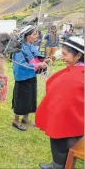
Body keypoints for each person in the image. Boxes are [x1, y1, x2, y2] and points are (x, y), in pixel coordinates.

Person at [35, 36, 84, 169]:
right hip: (72, 120)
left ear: (78, 55)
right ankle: (58, 164)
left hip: (67, 121)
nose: (62, 57)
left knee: (61, 144)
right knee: (63, 144)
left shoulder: (77, 75)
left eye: (65, 54)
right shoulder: (77, 71)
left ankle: (58, 166)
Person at [11, 25, 48, 131]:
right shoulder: (19, 49)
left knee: (30, 98)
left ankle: (25, 119)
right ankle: (16, 121)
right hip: (22, 78)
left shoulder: (31, 46)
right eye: (34, 34)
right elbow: (20, 64)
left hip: (31, 76)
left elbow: (36, 58)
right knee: (21, 100)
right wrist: (37, 66)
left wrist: (44, 61)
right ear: (27, 36)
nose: (37, 35)